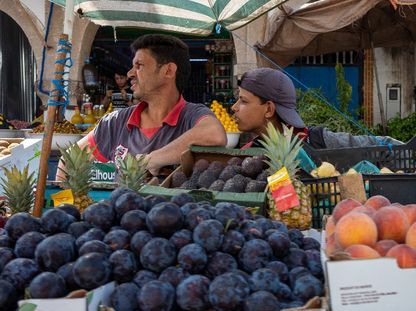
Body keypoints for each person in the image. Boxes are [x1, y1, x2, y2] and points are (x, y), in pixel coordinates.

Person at [56, 34, 226, 179]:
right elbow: (68, 160)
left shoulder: (191, 115)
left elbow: (214, 134)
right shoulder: (116, 122)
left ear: (168, 71)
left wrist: (150, 160)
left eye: (139, 66)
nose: (130, 73)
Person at [232, 67, 403, 149]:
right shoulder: (247, 155)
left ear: (269, 109)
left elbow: (375, 144)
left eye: (243, 101)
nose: (234, 107)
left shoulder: (318, 140)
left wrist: (403, 148)